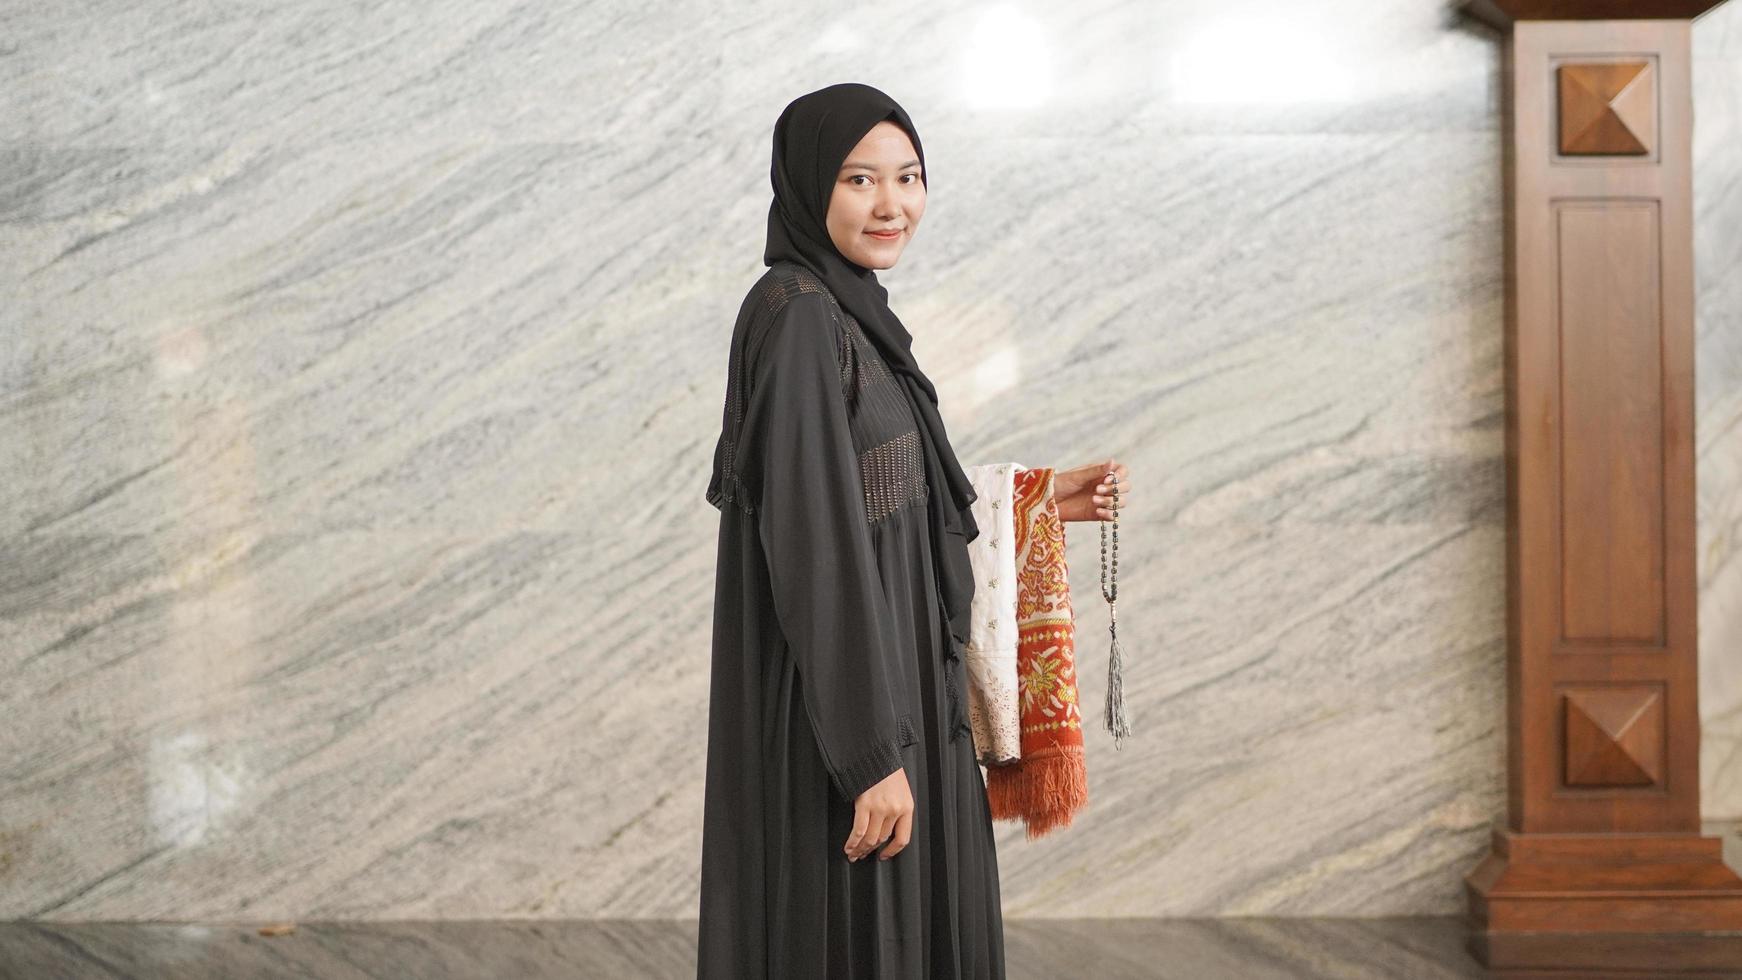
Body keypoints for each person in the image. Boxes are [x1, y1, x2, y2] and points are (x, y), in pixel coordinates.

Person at [698, 82, 1130, 980]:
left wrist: (1036, 501)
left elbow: (880, 491)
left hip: (901, 710)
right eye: (860, 179)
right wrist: (867, 756)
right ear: (809, 184)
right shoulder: (801, 317)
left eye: (909, 176)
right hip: (855, 725)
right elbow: (814, 541)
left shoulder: (852, 312)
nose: (891, 204)